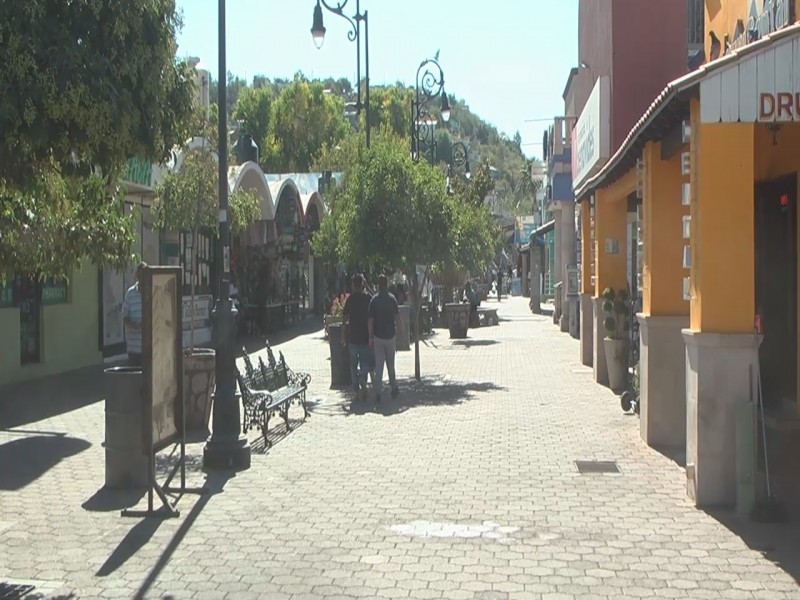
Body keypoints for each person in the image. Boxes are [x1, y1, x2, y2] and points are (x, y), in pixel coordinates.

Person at [369, 274, 404, 402]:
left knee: (379, 366)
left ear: (378, 285)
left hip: (378, 337)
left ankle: (377, 392)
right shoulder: (392, 299)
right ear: (387, 284)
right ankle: (393, 387)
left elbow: (370, 320)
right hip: (390, 336)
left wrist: (370, 336)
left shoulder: (374, 300)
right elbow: (398, 318)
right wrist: (401, 332)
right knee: (391, 364)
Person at [341, 274, 372, 400]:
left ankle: (356, 391)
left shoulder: (351, 299)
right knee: (365, 363)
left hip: (353, 336)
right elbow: (374, 296)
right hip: (364, 336)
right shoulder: (367, 298)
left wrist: (342, 336)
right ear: (362, 284)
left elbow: (344, 318)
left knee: (353, 366)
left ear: (354, 285)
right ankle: (363, 381)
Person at [122, 262, 146, 366]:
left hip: (148, 348)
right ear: (137, 275)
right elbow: (124, 315)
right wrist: (134, 325)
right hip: (133, 347)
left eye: (144, 275)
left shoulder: (152, 292)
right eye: (140, 275)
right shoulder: (130, 293)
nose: (142, 278)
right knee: (134, 379)